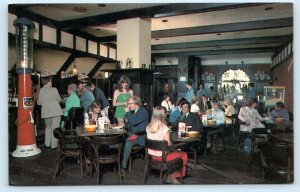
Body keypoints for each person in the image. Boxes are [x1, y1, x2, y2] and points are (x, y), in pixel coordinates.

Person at [146, 106, 187, 184]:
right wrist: (175, 146)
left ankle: (170, 175)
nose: (166, 116)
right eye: (165, 114)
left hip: (151, 157)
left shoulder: (148, 127)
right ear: (162, 115)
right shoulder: (165, 128)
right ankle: (173, 176)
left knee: (175, 152)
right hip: (162, 158)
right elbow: (168, 146)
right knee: (183, 154)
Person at [122, 96, 149, 171]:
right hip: (131, 134)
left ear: (136, 104)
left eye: (130, 104)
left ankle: (123, 166)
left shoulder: (143, 111)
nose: (128, 106)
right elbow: (130, 124)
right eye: (128, 104)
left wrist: (127, 113)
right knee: (118, 140)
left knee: (128, 143)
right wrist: (124, 124)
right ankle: (115, 162)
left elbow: (134, 122)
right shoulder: (133, 111)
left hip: (140, 136)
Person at [37, 76, 63, 149]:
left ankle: (47, 144)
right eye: (51, 81)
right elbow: (59, 100)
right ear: (49, 81)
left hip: (46, 113)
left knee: (48, 128)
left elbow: (38, 103)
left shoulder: (41, 90)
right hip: (56, 112)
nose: (51, 82)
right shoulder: (54, 89)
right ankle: (53, 146)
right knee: (55, 128)